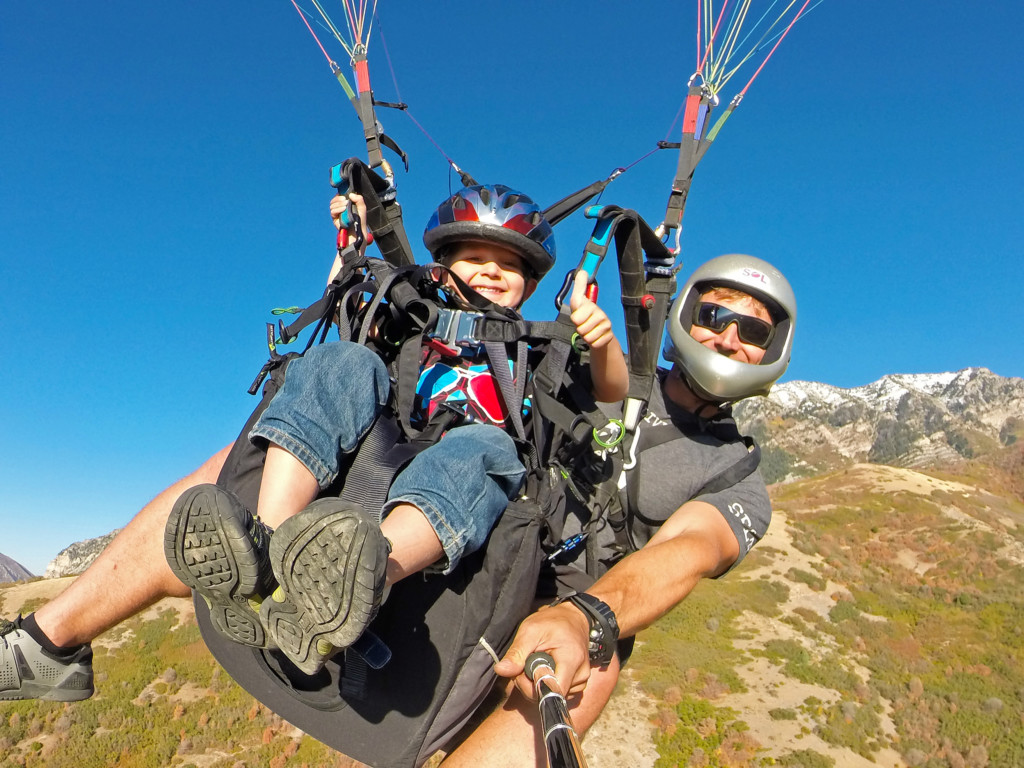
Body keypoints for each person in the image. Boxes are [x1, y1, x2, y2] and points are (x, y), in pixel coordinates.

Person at [0, 184, 627, 699]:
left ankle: (358, 576)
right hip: (381, 437)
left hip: (459, 468)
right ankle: (264, 547)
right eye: (474, 258)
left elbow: (611, 393)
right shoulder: (404, 314)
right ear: (440, 265)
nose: (492, 270)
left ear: (532, 282)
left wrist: (600, 341)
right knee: (339, 362)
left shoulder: (542, 348)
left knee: (484, 455)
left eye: (511, 264)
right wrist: (349, 240)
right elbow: (342, 300)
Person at [438, 253, 797, 766]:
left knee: (593, 671)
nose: (729, 338)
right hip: (484, 556)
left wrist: (588, 620)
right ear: (686, 317)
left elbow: (688, 548)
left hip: (574, 610)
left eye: (754, 332)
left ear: (773, 351)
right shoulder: (600, 371)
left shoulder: (738, 479)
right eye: (715, 317)